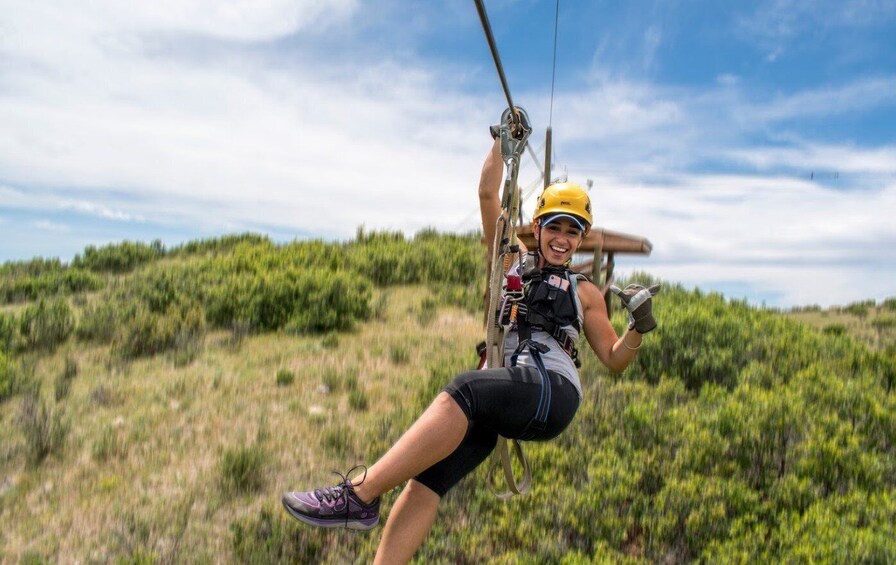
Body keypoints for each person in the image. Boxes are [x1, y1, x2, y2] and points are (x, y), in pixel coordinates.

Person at [282, 134, 659, 565]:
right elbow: (486, 192)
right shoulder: (510, 261)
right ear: (536, 228)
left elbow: (614, 358)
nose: (561, 238)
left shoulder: (585, 291)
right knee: (427, 478)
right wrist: (504, 142)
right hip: (512, 395)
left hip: (554, 391)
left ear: (580, 239)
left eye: (572, 232)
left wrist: (638, 329)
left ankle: (358, 496)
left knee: (466, 389)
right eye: (554, 226)